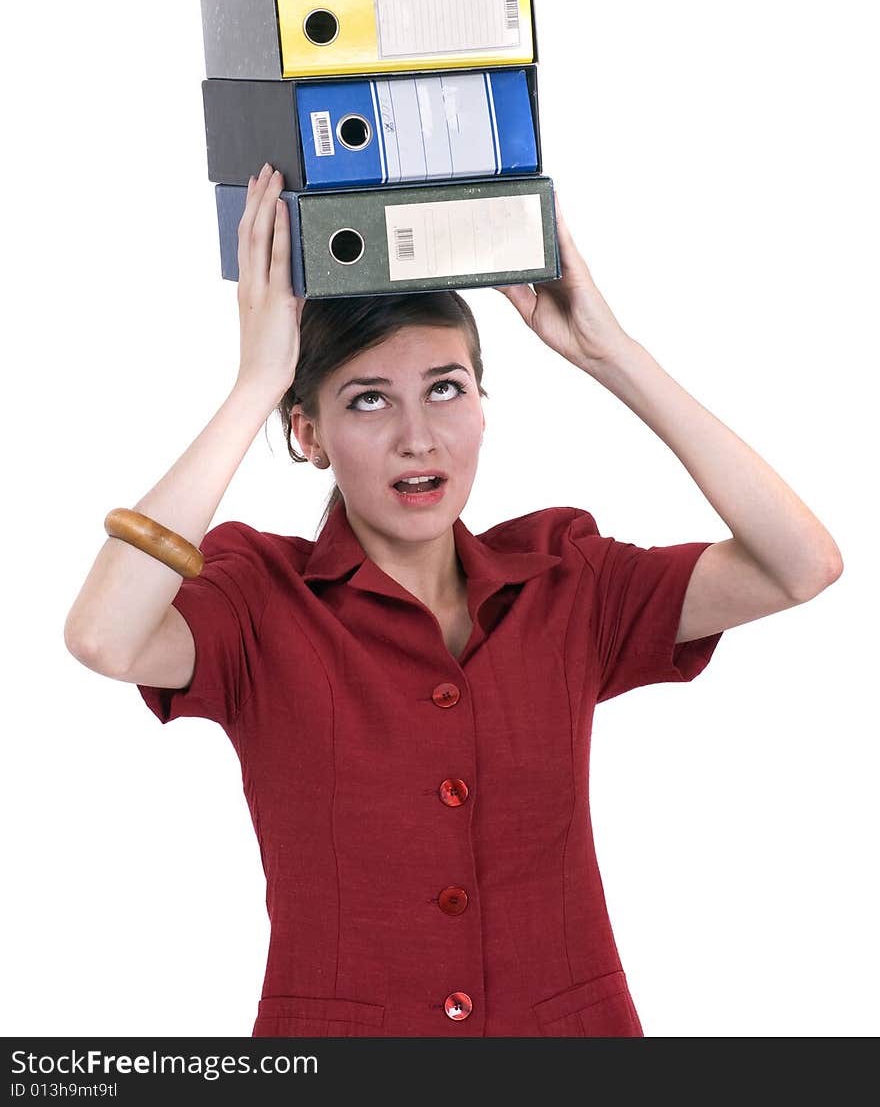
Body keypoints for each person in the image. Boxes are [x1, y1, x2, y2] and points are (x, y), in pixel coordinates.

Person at [64, 162, 843, 1037]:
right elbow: (104, 636)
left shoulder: (563, 577)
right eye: (368, 401)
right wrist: (254, 384)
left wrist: (610, 353)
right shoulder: (260, 596)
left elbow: (799, 564)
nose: (418, 437)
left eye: (446, 387)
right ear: (308, 434)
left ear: (482, 400)